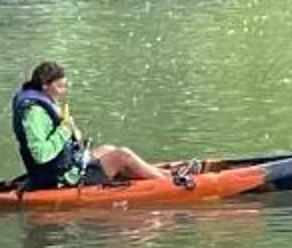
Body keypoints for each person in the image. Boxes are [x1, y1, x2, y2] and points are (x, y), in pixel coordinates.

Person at [11, 62, 187, 190]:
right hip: (59, 177)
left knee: (109, 149)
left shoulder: (45, 103)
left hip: (67, 165)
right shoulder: (34, 113)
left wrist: (72, 133)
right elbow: (40, 155)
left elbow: (65, 140)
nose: (64, 91)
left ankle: (165, 175)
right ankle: (171, 184)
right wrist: (64, 130)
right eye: (60, 86)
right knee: (122, 156)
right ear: (44, 86)